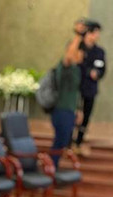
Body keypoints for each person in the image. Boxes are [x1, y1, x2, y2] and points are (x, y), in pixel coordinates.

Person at [50, 34, 84, 167]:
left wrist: (78, 110)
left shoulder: (76, 69)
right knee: (60, 141)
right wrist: (78, 36)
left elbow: (75, 92)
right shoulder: (65, 66)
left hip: (69, 111)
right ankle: (51, 167)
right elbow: (69, 56)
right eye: (79, 51)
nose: (82, 54)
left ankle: (53, 167)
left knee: (63, 142)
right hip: (61, 110)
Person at [75, 21, 106, 153]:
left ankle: (79, 141)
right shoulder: (77, 47)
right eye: (95, 32)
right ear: (88, 33)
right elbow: (75, 66)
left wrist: (97, 74)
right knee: (74, 115)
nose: (97, 36)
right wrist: (88, 72)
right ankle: (68, 142)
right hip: (76, 88)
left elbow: (102, 69)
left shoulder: (99, 52)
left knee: (86, 116)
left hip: (90, 89)